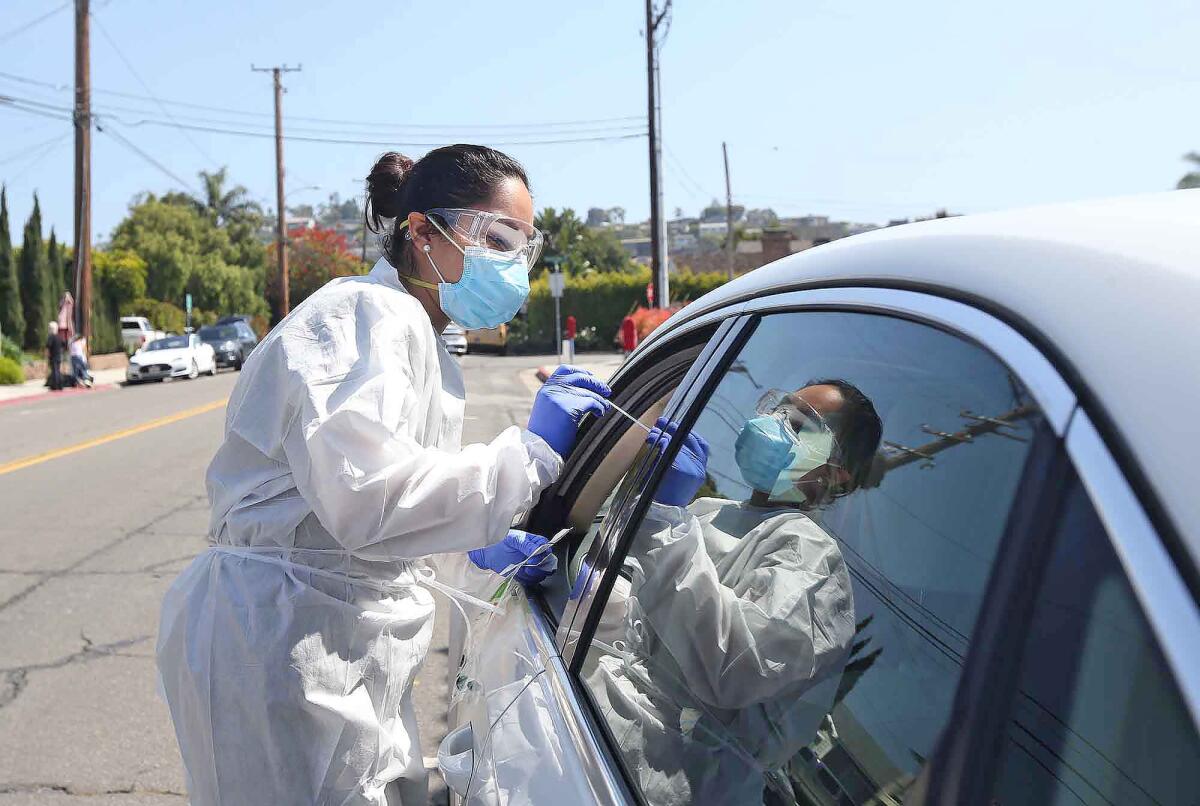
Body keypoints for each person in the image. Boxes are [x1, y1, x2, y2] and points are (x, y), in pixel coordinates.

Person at [156, 145, 610, 805]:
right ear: (421, 231)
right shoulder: (365, 317)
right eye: (496, 238)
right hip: (283, 645)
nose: (512, 265)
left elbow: (390, 511)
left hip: (329, 638)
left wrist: (473, 557)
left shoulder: (417, 335)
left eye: (523, 248)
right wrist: (530, 455)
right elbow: (365, 500)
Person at [585, 381, 882, 805]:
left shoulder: (812, 557)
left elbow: (733, 667)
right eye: (780, 410)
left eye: (799, 425)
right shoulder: (712, 513)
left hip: (672, 780)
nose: (776, 425)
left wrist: (664, 524)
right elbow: (649, 623)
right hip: (613, 741)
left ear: (834, 473)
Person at [45, 321, 63, 391]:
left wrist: (47, 355)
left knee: (54, 371)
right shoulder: (59, 337)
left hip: (53, 357)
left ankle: (55, 386)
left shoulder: (51, 337)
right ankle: (59, 385)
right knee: (57, 371)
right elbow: (63, 345)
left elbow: (48, 347)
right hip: (59, 356)